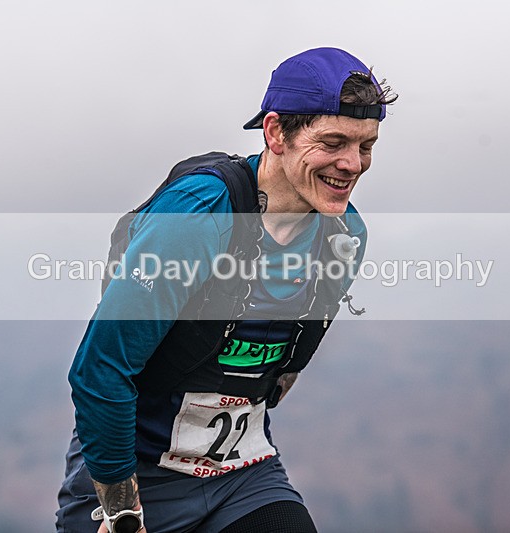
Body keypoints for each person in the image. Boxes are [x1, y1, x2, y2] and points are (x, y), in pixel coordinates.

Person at [56, 47, 397, 533]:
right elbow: (100, 370)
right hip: (134, 478)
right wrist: (120, 507)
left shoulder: (344, 236)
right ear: (276, 133)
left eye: (366, 145)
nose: (352, 164)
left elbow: (285, 365)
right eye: (334, 142)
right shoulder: (199, 215)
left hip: (242, 477)